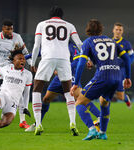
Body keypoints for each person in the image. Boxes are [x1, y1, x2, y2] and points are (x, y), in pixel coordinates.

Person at [70, 19, 132, 140]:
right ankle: (103, 132)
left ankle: (92, 129)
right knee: (104, 102)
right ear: (101, 29)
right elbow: (127, 59)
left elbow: (81, 64)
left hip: (103, 76)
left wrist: (76, 83)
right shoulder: (111, 41)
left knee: (79, 102)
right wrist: (128, 77)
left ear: (88, 29)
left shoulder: (88, 42)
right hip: (117, 76)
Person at [25, 41, 100, 132]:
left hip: (69, 76)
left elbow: (77, 61)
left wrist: (61, 69)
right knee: (46, 99)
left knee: (81, 98)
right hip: (58, 80)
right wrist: (22, 57)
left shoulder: (71, 46)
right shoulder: (53, 44)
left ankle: (100, 117)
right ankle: (38, 124)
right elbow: (39, 52)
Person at [31, 6, 83, 136]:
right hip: (64, 59)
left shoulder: (41, 24)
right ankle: (72, 123)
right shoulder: (69, 25)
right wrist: (87, 57)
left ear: (50, 15)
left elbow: (37, 45)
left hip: (47, 57)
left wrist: (32, 62)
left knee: (37, 89)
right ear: (61, 16)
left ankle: (38, 124)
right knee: (68, 91)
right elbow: (79, 43)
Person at [112, 23, 134, 108]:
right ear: (113, 30)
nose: (118, 31)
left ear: (122, 31)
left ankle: (126, 99)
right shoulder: (109, 42)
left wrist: (126, 63)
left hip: (121, 71)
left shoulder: (126, 43)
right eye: (116, 29)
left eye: (120, 30)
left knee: (120, 96)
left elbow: (131, 56)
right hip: (110, 69)